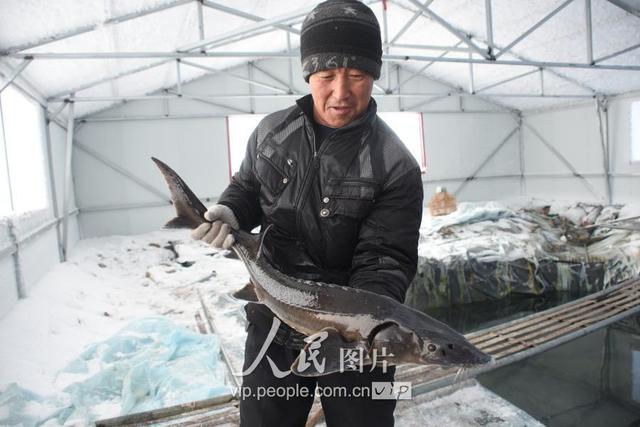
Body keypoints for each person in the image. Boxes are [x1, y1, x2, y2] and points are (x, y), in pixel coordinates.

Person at [192, 0, 423, 425]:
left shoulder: (395, 164)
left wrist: (355, 329)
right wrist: (229, 210)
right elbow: (248, 187)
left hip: (358, 334)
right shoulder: (271, 132)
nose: (341, 92)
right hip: (275, 309)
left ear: (374, 75)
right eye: (326, 75)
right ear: (307, 74)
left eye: (356, 75)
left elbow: (386, 259)